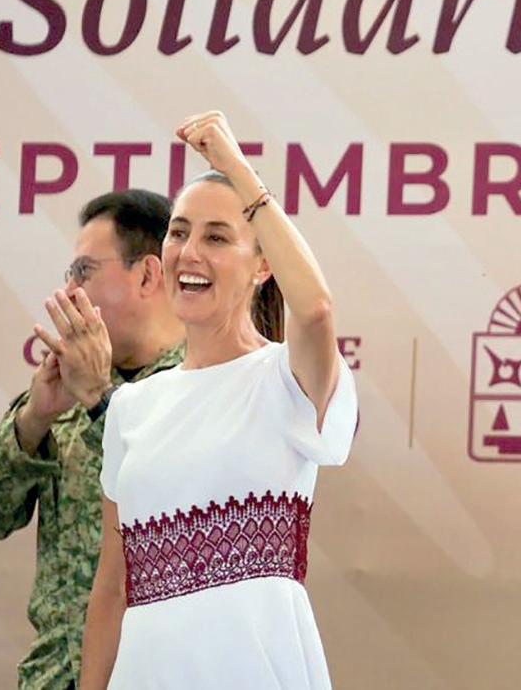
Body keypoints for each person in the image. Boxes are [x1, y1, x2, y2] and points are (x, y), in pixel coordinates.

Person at [80, 111, 358, 690]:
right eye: (179, 232)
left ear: (263, 265)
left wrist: (234, 165)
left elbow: (315, 309)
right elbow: (112, 590)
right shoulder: (132, 408)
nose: (189, 252)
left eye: (216, 237)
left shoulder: (285, 377)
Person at [0, 190, 186, 689]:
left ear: (148, 275)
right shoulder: (65, 388)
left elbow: (169, 497)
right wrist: (34, 419)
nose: (70, 292)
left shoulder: (201, 384)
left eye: (84, 272)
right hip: (58, 675)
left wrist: (101, 398)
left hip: (163, 673)